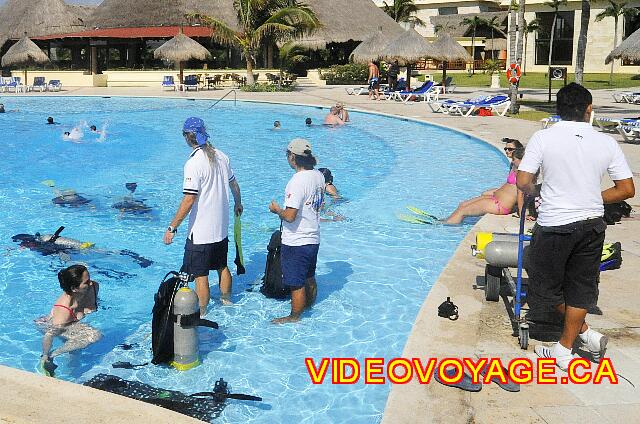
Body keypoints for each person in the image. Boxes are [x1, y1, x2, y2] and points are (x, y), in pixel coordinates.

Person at [517, 83, 635, 371]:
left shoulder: (543, 137)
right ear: (588, 109)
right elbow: (627, 189)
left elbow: (522, 181)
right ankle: (573, 342)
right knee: (581, 288)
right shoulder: (607, 142)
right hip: (593, 224)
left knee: (543, 287)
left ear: (557, 110)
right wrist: (592, 197)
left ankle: (569, 344)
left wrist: (538, 191)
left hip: (556, 223)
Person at [163, 117, 243, 315]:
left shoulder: (193, 163)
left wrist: (172, 227)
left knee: (200, 275)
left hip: (201, 232)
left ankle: (203, 311)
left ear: (186, 137)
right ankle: (227, 301)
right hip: (221, 228)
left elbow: (189, 199)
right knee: (222, 266)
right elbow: (234, 184)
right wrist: (238, 203)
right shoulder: (222, 156)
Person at [268, 138, 324, 324]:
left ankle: (294, 316)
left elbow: (290, 216)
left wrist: (277, 210)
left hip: (297, 240)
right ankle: (309, 306)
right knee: (309, 276)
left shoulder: (296, 182)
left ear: (292, 157)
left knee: (295, 282)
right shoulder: (318, 176)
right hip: (313, 237)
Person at [37, 264, 101, 377]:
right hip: (54, 324)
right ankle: (52, 355)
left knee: (76, 351)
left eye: (89, 279)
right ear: (74, 288)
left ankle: (73, 373)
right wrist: (45, 354)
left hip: (74, 323)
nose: (91, 283)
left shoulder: (94, 287)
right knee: (94, 335)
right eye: (86, 282)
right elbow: (49, 334)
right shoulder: (64, 310)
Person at [444, 148, 526, 224]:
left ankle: (446, 227)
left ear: (522, 160)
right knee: (462, 205)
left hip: (499, 205)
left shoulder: (523, 175)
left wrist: (522, 214)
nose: (512, 161)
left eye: (514, 159)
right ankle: (447, 221)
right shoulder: (516, 168)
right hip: (496, 199)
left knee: (462, 211)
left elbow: (520, 194)